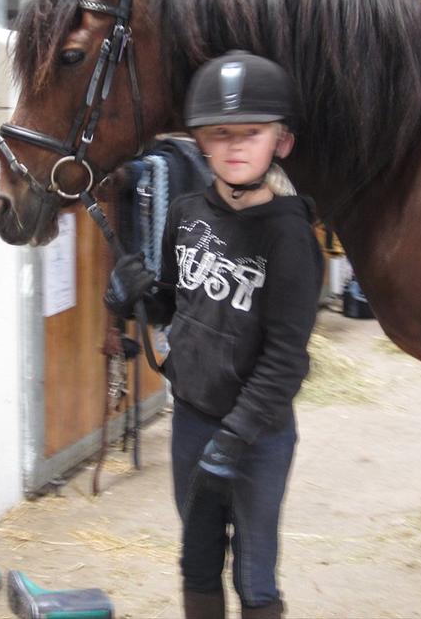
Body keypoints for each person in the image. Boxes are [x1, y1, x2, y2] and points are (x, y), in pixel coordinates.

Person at [105, 51, 323, 619]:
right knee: (197, 561)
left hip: (256, 437)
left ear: (282, 142)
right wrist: (137, 295)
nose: (234, 146)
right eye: (219, 133)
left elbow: (285, 361)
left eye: (251, 133)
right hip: (192, 419)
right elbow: (175, 310)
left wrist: (235, 438)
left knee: (254, 571)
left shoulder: (291, 237)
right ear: (201, 140)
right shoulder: (185, 212)